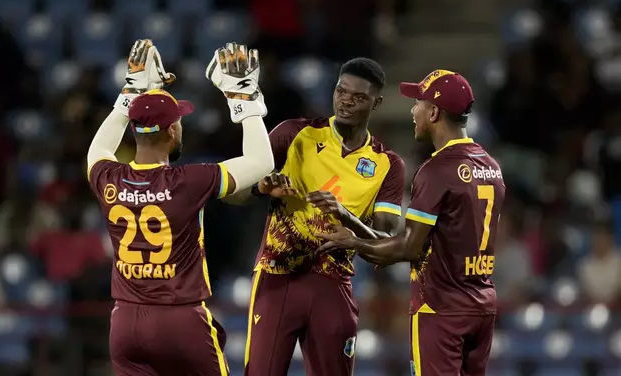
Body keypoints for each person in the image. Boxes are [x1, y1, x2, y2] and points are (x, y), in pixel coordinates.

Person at [86, 39, 274, 376]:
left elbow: (97, 149)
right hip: (180, 321)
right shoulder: (188, 182)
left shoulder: (108, 179)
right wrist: (243, 98)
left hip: (125, 323)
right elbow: (262, 162)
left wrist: (131, 91)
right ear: (173, 130)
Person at [317, 70, 506, 376]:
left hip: (440, 309)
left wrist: (352, 241)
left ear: (434, 112)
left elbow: (408, 247)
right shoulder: (491, 166)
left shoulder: (435, 170)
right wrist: (351, 220)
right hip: (481, 305)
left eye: (418, 102)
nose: (413, 110)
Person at [225, 58, 406, 376]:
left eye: (358, 96)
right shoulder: (294, 134)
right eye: (341, 90)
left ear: (376, 102)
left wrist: (346, 217)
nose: (346, 100)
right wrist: (261, 189)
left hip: (333, 284)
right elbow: (232, 191)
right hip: (277, 275)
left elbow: (388, 243)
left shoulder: (387, 165)